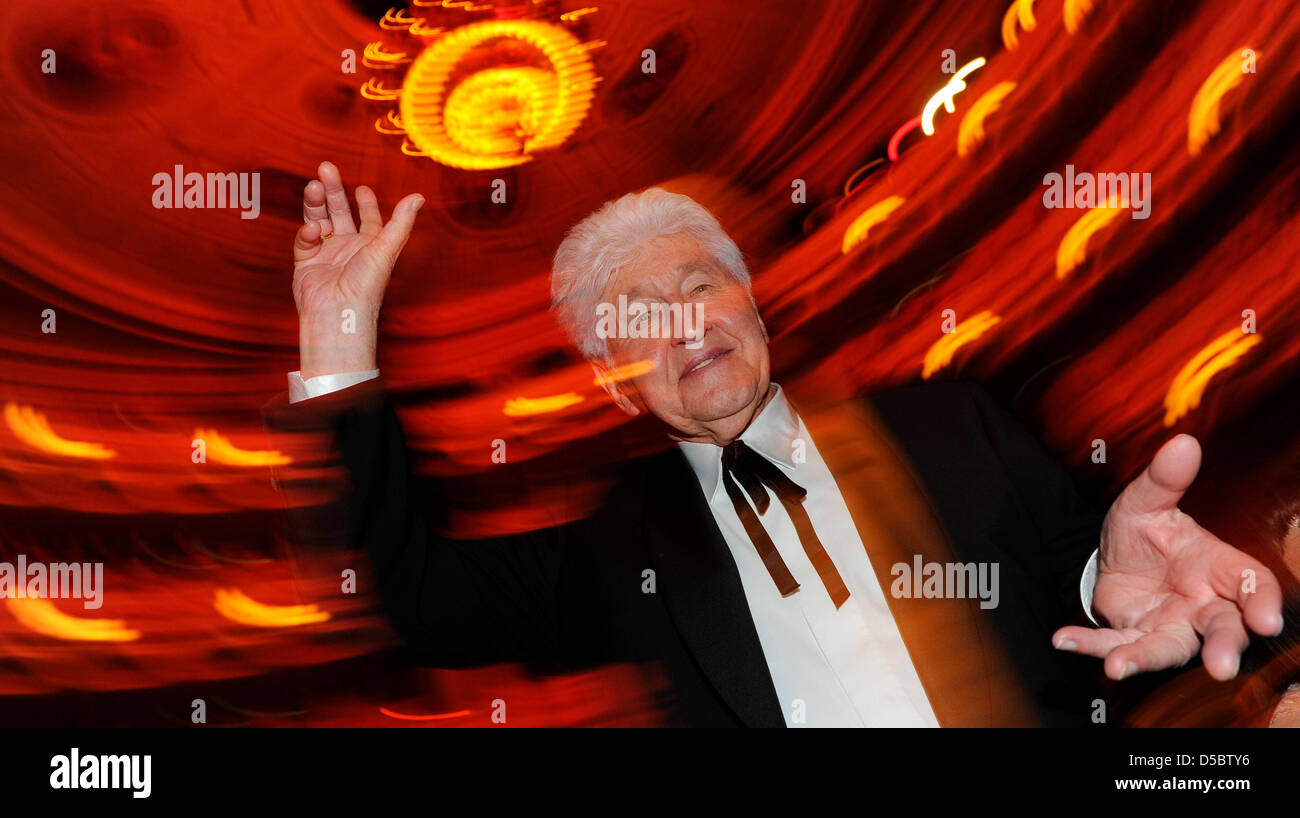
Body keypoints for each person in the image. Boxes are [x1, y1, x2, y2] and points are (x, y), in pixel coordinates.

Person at [264, 161, 1285, 727]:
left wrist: (1111, 581)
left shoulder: (953, 422)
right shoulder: (617, 549)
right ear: (618, 382)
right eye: (637, 317)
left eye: (700, 284)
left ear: (751, 307)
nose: (684, 322)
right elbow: (419, 602)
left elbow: (1088, 592)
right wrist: (339, 344)